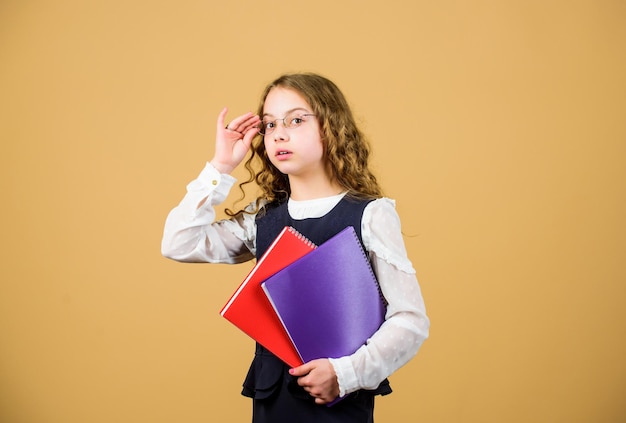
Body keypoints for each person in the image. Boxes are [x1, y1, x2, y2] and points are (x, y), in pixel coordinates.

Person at [161, 72, 429, 423]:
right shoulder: (263, 218)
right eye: (270, 125)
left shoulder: (370, 214)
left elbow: (410, 320)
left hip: (338, 403)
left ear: (331, 126)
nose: (280, 134)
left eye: (296, 120)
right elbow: (178, 243)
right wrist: (220, 167)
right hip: (273, 403)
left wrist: (345, 374)